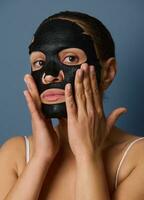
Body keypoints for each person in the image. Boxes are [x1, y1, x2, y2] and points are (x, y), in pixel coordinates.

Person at [0, 11, 144, 200]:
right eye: (39, 62)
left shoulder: (138, 157)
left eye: (70, 59)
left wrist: (88, 155)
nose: (49, 75)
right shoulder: (16, 153)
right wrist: (41, 157)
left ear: (107, 72)